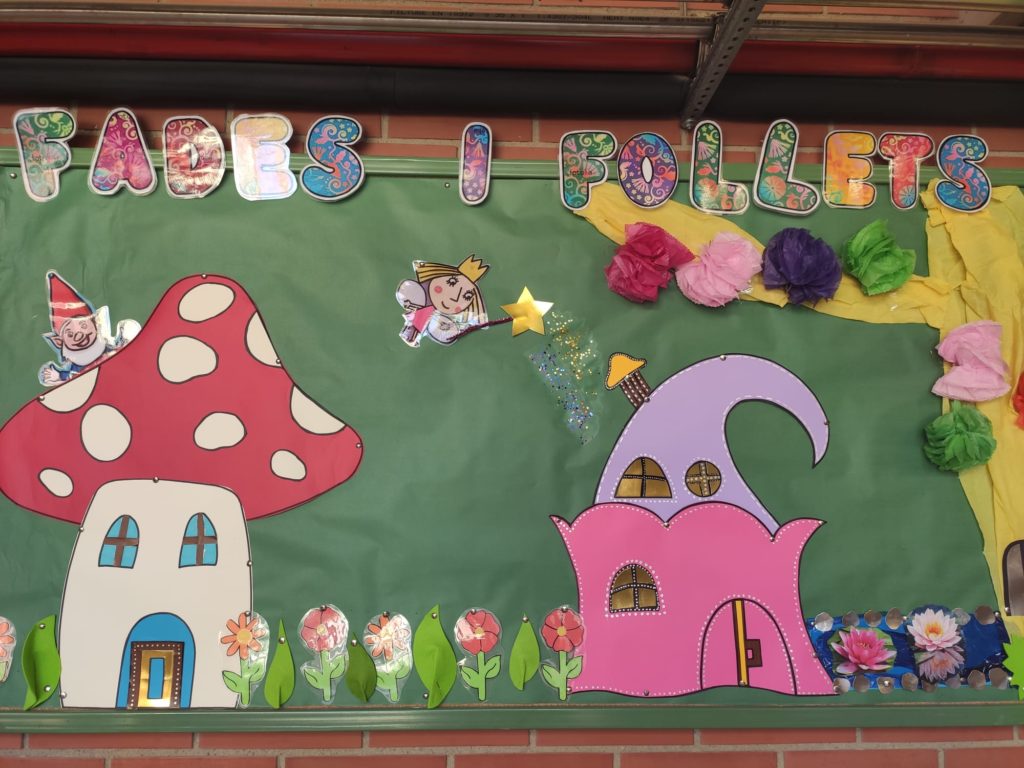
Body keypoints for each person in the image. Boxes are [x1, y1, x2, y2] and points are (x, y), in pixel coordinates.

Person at [38, 271, 138, 386]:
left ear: (96, 323)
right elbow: (73, 377)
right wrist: (59, 376)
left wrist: (123, 345)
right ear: (58, 342)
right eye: (70, 334)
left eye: (84, 326)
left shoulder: (106, 349)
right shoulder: (76, 366)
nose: (79, 335)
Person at [396, 255, 488, 347]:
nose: (454, 297)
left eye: (467, 296)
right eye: (452, 282)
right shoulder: (418, 298)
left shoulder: (443, 320)